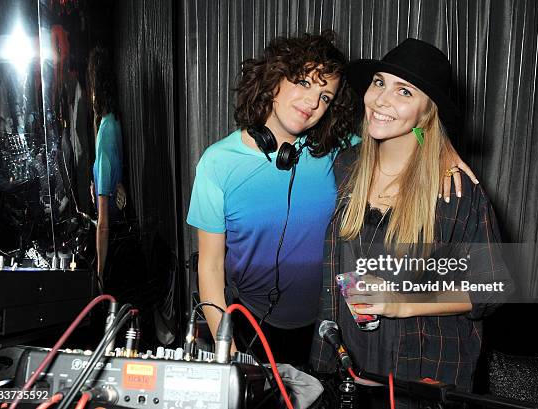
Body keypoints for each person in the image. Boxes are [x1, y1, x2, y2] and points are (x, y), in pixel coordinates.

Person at [187, 32, 477, 366]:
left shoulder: (338, 153)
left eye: (325, 96)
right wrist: (228, 352)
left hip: (325, 328)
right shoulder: (217, 162)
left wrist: (443, 150)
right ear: (273, 81)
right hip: (248, 324)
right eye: (303, 82)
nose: (312, 103)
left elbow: (400, 131)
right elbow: (209, 266)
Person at [310, 38, 512, 407]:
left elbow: (494, 287)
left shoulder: (455, 191)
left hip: (421, 374)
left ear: (426, 113)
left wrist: (401, 301)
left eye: (404, 91)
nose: (382, 99)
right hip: (348, 369)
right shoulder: (345, 167)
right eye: (379, 82)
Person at [87, 47, 125, 289]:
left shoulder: (105, 133)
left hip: (112, 245)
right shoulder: (113, 120)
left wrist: (99, 275)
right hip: (118, 236)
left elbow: (102, 224)